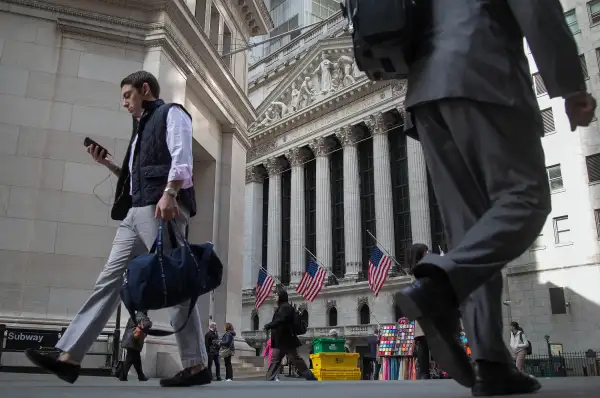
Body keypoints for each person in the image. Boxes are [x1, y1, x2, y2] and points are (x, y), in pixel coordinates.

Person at [393, 1, 596, 396]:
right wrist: (570, 85)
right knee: (527, 198)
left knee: (470, 233)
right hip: (484, 75)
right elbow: (537, 11)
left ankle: (491, 362)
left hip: (424, 98)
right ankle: (439, 285)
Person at [24, 71, 211, 388]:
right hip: (135, 212)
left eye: (127, 95)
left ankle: (195, 366)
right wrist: (110, 165)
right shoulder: (139, 131)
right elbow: (137, 177)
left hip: (160, 207)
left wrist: (170, 193)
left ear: (145, 89)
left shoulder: (172, 113)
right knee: (108, 280)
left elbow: (182, 156)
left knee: (177, 283)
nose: (124, 102)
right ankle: (69, 356)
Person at [263, 289, 317, 381]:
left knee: (288, 360)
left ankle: (310, 376)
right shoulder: (283, 307)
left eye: (276, 295)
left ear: (281, 296)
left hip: (285, 339)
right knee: (278, 360)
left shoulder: (285, 307)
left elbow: (281, 320)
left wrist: (269, 325)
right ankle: (269, 378)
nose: (274, 297)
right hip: (283, 339)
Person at [119, 311, 152, 382]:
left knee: (136, 360)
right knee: (129, 359)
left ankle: (141, 376)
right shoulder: (140, 315)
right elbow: (145, 324)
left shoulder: (136, 315)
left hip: (132, 341)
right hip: (133, 341)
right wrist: (150, 322)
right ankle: (123, 375)